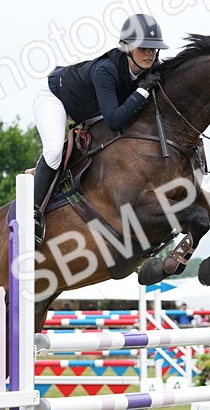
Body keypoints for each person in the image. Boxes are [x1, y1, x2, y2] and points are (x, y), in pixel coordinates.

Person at [30, 13, 169, 245]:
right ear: (127, 48)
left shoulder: (151, 68)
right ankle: (33, 212)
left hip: (91, 108)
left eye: (154, 49)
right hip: (56, 98)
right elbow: (114, 120)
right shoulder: (106, 70)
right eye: (143, 48)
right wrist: (142, 91)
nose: (149, 54)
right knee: (54, 150)